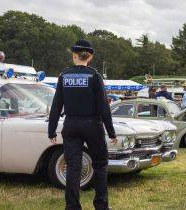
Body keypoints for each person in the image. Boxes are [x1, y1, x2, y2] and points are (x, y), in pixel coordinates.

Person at [48, 39, 117, 210]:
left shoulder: (64, 76)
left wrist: (51, 130)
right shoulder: (94, 75)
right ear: (90, 57)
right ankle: (101, 205)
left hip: (70, 124)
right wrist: (111, 131)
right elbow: (103, 107)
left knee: (73, 166)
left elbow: (57, 105)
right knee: (100, 165)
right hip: (92, 124)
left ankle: (72, 206)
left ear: (74, 55)